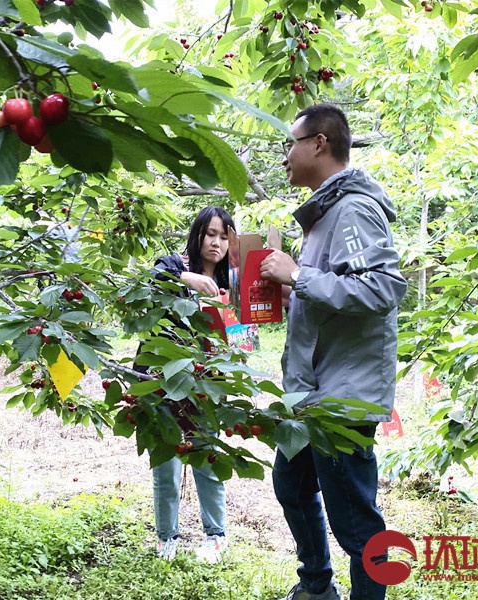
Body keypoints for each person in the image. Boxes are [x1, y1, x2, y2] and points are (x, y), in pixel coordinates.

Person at [259, 104, 408, 600]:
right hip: (314, 394)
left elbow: (383, 288)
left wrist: (298, 275)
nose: (285, 157)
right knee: (293, 485)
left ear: (318, 143)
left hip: (342, 398)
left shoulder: (352, 209)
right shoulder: (327, 213)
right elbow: (336, 291)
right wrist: (291, 291)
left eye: (290, 144)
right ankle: (317, 587)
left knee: (357, 523)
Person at [136, 206, 235, 564]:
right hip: (163, 380)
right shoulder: (174, 267)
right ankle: (167, 537)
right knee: (166, 463)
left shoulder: (230, 284)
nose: (217, 242)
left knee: (206, 457)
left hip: (207, 384)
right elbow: (151, 278)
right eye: (211, 234)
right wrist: (186, 279)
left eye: (224, 236)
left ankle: (216, 536)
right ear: (197, 235)